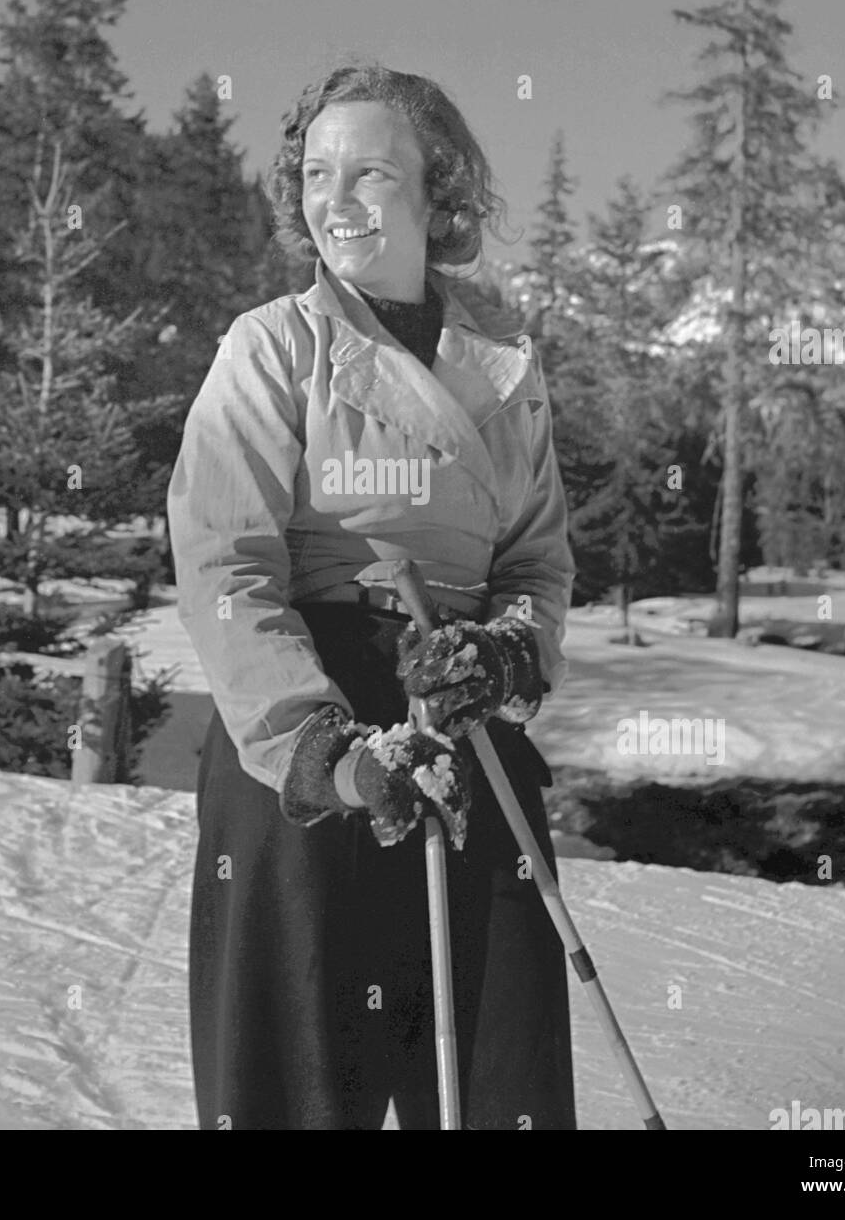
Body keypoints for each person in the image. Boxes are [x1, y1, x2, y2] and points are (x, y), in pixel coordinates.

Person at [168, 62, 576, 1130]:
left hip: (466, 720)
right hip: (307, 736)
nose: (334, 200)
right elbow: (223, 564)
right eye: (314, 172)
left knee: (502, 1073)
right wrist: (329, 753)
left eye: (370, 174)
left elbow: (535, 562)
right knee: (302, 1088)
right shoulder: (271, 348)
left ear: (439, 195)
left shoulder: (503, 373)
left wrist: (507, 651)